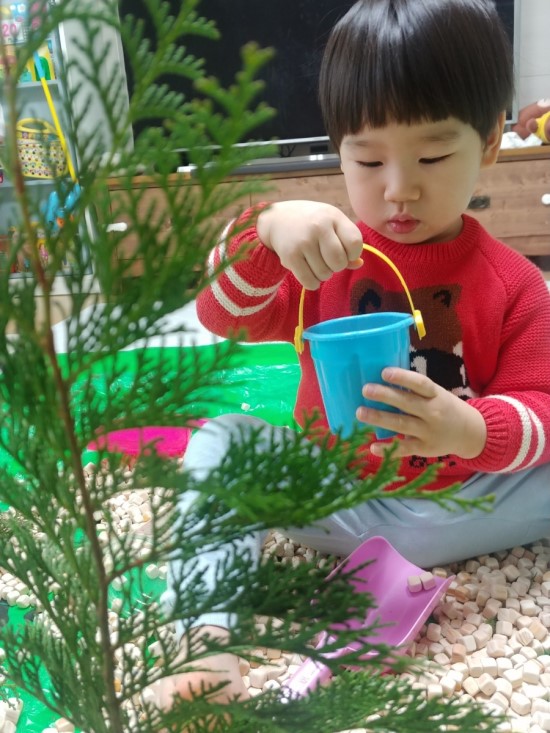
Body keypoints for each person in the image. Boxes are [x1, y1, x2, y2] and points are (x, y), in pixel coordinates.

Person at [152, 0, 550, 712]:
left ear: (491, 141)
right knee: (221, 440)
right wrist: (264, 231)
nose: (399, 188)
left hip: (473, 500)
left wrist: (472, 429)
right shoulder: (323, 258)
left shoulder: (515, 283)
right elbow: (220, 314)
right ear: (338, 150)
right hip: (340, 501)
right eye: (368, 160)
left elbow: (541, 407)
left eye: (432, 156)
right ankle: (204, 639)